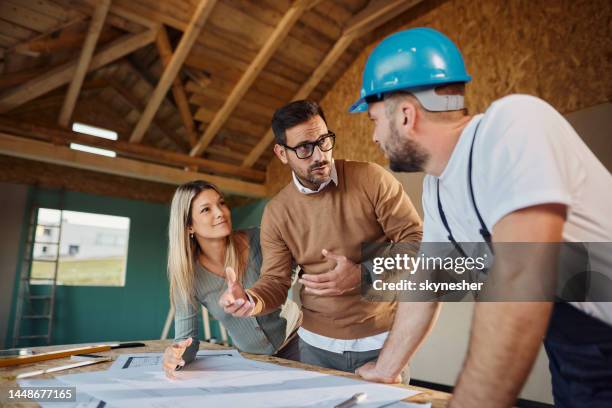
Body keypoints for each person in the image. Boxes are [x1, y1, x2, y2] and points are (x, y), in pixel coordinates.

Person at [350, 27, 612, 407]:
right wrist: (386, 369)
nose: (374, 137)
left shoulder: (514, 124)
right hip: (575, 356)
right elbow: (427, 283)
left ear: (406, 115)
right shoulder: (437, 188)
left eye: (374, 120)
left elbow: (522, 274)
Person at [219, 100, 423, 375]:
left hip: (383, 343)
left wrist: (364, 274)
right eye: (304, 148)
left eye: (324, 141)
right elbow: (276, 282)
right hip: (314, 349)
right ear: (281, 153)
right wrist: (251, 300)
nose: (319, 155)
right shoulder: (277, 213)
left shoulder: (373, 179)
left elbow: (417, 241)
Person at [162, 180, 301, 378]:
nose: (220, 213)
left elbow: (290, 269)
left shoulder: (259, 238)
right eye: (206, 210)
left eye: (221, 203)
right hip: (254, 362)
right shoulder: (188, 277)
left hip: (300, 341)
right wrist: (175, 355)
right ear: (188, 226)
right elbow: (187, 342)